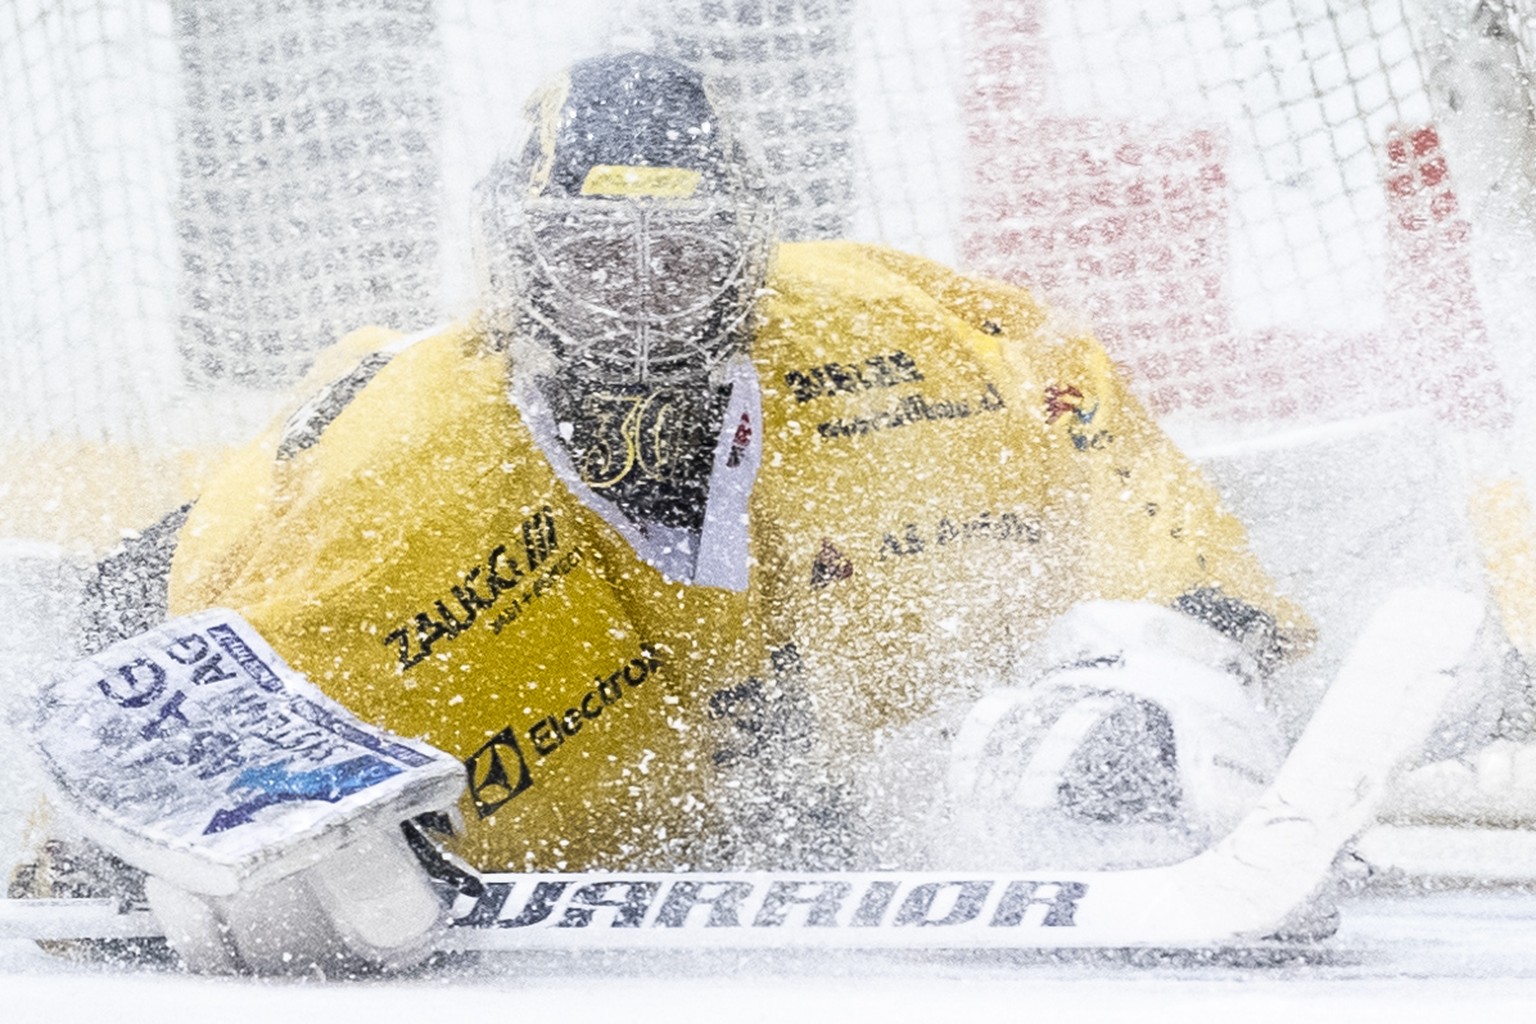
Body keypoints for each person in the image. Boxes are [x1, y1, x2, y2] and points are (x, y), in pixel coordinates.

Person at [35, 52, 1309, 969]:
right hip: (244, 552)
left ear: (746, 254)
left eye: (683, 258)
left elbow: (1065, 394)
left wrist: (1186, 623)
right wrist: (178, 824)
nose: (640, 301)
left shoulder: (874, 329)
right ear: (518, 267)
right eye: (591, 261)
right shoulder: (408, 483)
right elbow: (196, 669)